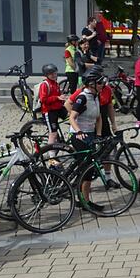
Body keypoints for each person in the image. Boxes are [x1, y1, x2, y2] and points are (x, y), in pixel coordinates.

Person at [68, 68, 104, 212]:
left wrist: (99, 136)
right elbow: (71, 117)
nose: (102, 85)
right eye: (100, 83)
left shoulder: (96, 97)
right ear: (91, 84)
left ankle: (83, 199)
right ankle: (85, 202)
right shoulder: (82, 97)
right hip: (79, 136)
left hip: (90, 135)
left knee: (89, 169)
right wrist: (79, 131)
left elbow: (99, 118)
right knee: (86, 170)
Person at [38, 64, 68, 146]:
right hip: (49, 111)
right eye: (51, 74)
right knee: (53, 133)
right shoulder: (45, 85)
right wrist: (57, 98)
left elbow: (58, 96)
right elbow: (43, 99)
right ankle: (51, 156)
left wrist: (62, 98)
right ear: (46, 75)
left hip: (58, 108)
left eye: (55, 73)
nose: (54, 75)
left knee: (72, 118)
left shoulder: (56, 83)